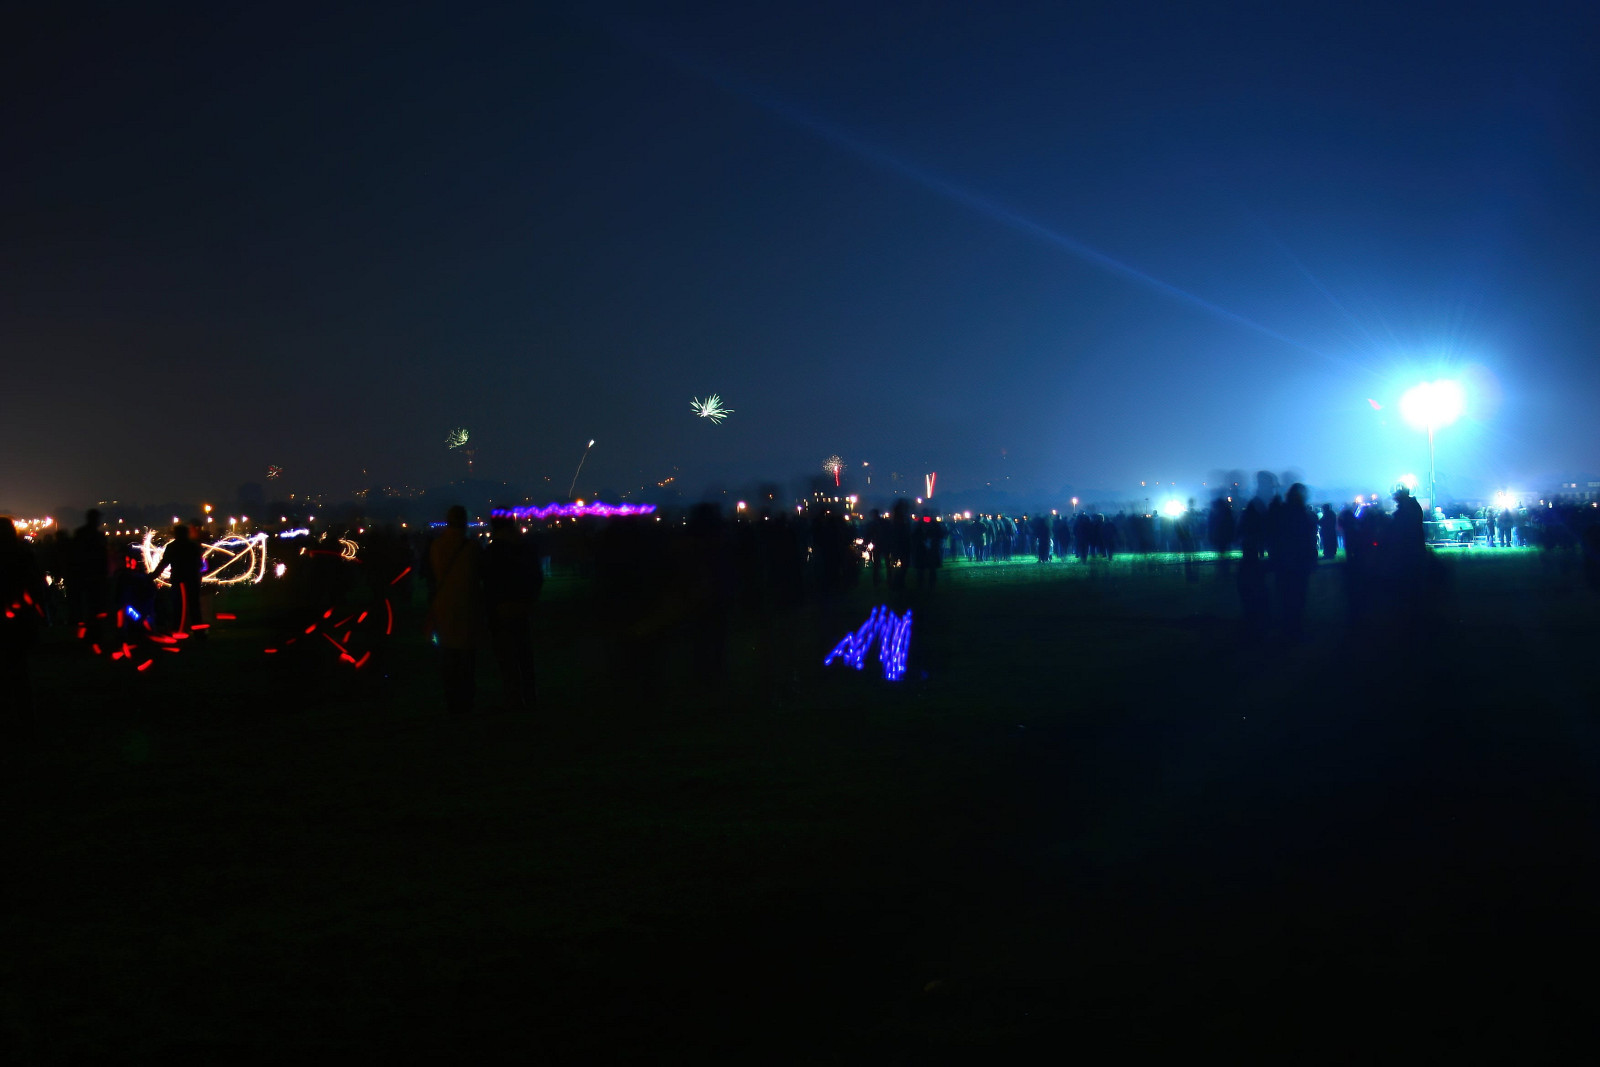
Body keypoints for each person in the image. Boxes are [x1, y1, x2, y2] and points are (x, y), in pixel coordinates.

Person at [426, 505, 487, 717]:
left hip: (443, 606)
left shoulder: (436, 546)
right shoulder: (472, 547)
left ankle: (452, 700)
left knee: (448, 657)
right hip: (467, 606)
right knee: (466, 657)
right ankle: (466, 700)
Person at [483, 515, 543, 711]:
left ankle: (514, 697)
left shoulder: (491, 552)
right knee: (524, 654)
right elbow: (536, 577)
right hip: (521, 607)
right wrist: (528, 600)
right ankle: (529, 695)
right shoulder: (524, 549)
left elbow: (487, 583)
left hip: (499, 609)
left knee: (506, 657)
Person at [0, 518, 48, 741]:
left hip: (10, 617)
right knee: (19, 671)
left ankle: (15, 718)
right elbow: (35, 586)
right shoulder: (23, 555)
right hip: (20, 619)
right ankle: (27, 719)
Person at [147, 522, 203, 632]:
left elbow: (164, 563)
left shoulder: (172, 547)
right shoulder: (193, 546)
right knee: (194, 607)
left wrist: (152, 576)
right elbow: (199, 564)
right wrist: (197, 578)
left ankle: (178, 629)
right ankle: (199, 632)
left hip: (179, 580)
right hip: (192, 580)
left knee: (178, 607)